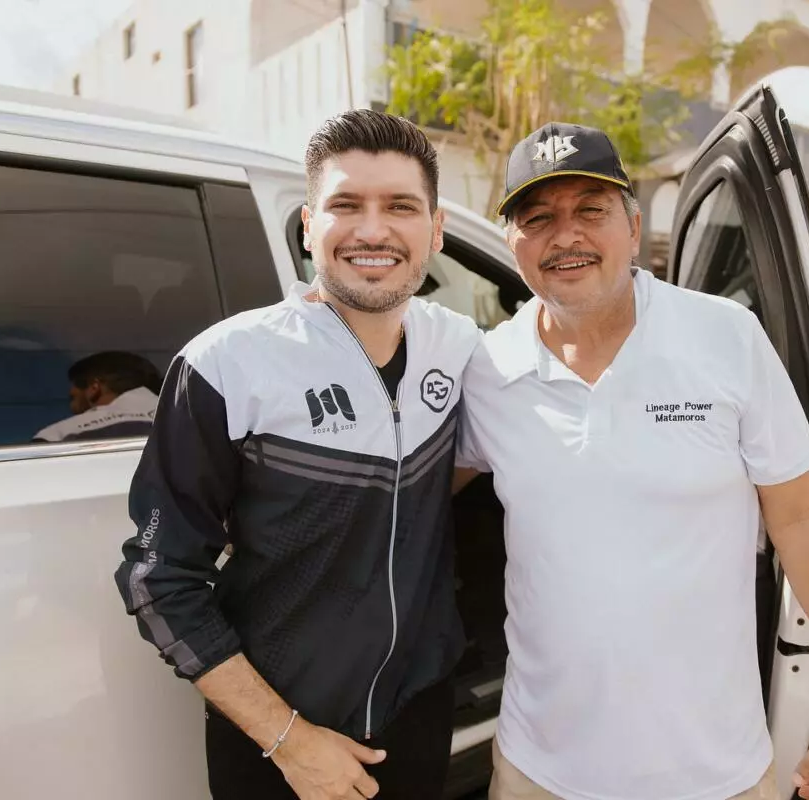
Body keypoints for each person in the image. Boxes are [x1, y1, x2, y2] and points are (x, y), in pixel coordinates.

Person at [455, 122, 809, 800]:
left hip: (714, 775)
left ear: (633, 227)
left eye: (590, 210)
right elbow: (410, 496)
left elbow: (802, 519)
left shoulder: (724, 336)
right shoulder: (489, 369)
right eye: (537, 218)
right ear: (513, 242)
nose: (565, 236)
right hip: (539, 771)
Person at [114, 109, 481, 800]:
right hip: (276, 741)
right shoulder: (226, 364)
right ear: (309, 225)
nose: (373, 230)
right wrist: (290, 741)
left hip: (418, 711)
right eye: (346, 205)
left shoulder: (462, 347)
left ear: (435, 230)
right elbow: (157, 577)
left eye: (401, 206)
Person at [32, 350, 161, 442]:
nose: (71, 392)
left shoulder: (59, 434)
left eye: (75, 385)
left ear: (94, 388)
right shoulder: (171, 420)